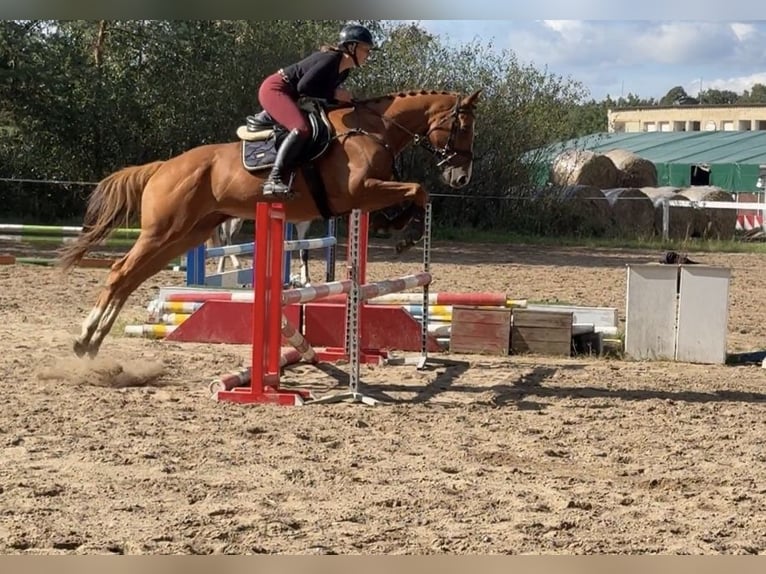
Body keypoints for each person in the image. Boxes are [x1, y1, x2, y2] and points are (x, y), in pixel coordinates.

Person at [258, 23, 378, 197]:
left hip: (291, 95)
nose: (368, 54)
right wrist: (335, 93)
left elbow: (321, 95)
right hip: (276, 89)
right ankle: (273, 179)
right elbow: (304, 87)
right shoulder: (330, 59)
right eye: (366, 49)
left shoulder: (344, 72)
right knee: (301, 129)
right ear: (352, 47)